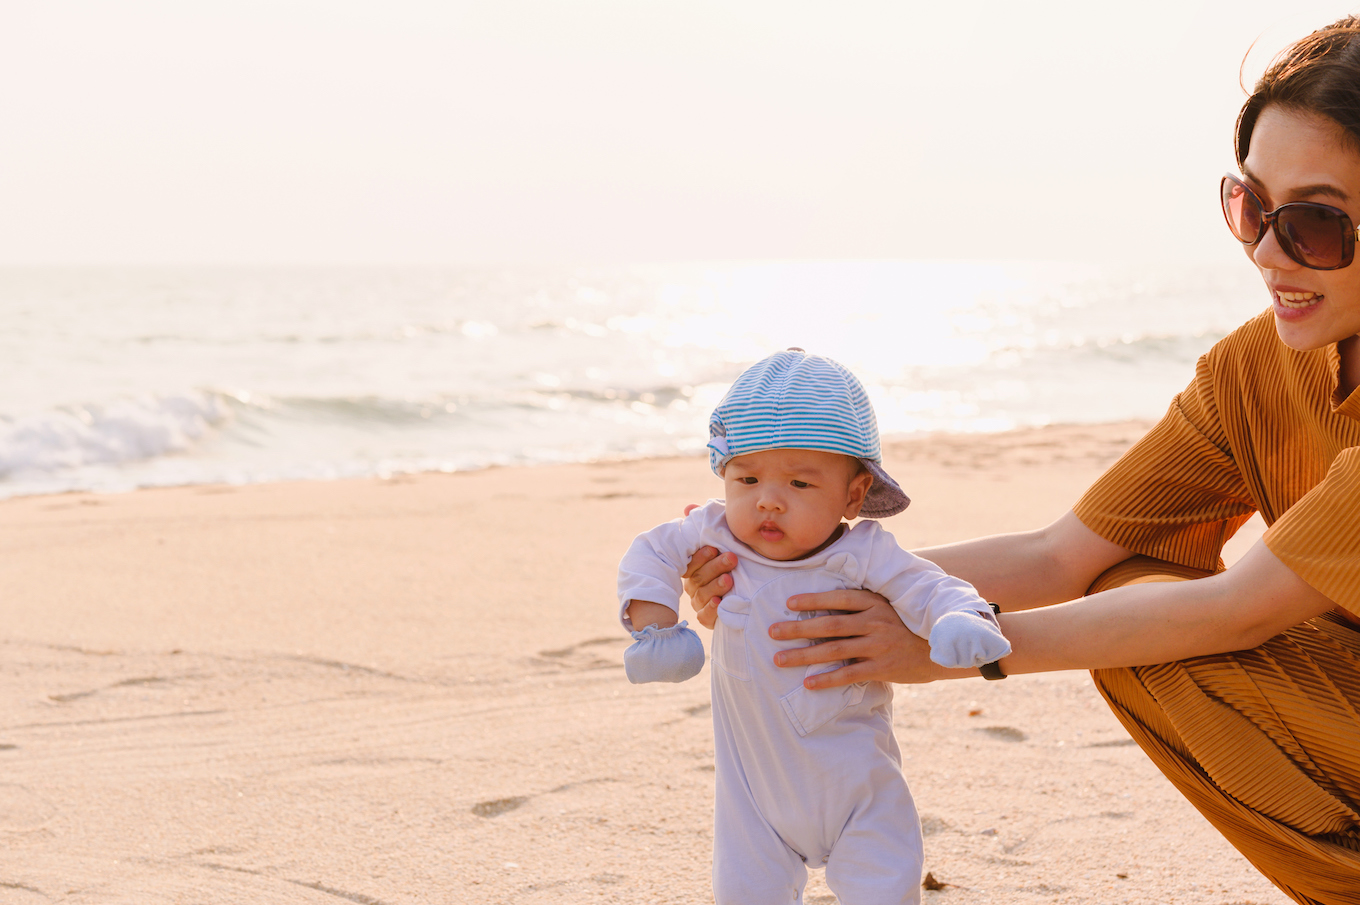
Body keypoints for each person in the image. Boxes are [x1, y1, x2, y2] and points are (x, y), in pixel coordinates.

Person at [684, 17, 1360, 905]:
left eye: (1313, 224)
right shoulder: (1252, 368)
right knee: (1123, 587)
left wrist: (951, 654)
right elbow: (1058, 556)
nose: (1266, 252)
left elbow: (1237, 609)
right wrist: (781, 576)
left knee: (1150, 624)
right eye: (1250, 208)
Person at [618, 349, 1010, 905]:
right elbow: (649, 554)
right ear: (723, 477)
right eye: (747, 477)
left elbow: (927, 585)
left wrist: (957, 618)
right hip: (752, 797)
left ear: (853, 495)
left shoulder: (864, 553)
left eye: (800, 484)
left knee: (883, 886)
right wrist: (657, 627)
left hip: (858, 787)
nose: (769, 501)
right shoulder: (714, 537)